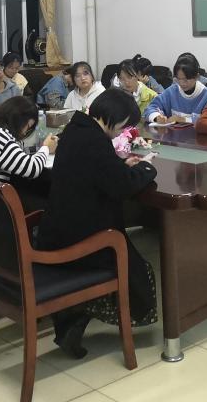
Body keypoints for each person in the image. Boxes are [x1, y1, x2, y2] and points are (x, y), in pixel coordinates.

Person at [36, 89, 158, 359]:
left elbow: (97, 172)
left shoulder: (76, 130)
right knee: (138, 269)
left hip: (57, 229)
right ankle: (80, 318)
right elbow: (121, 186)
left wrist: (121, 165)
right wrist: (146, 167)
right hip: (83, 238)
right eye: (124, 125)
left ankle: (74, 322)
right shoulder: (94, 141)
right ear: (116, 116)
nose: (122, 131)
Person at [144, 54, 207, 124]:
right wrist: (157, 117)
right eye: (179, 79)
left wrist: (184, 119)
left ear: (197, 77)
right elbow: (150, 108)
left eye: (186, 79)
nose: (182, 83)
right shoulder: (171, 91)